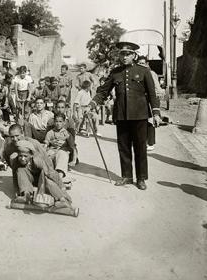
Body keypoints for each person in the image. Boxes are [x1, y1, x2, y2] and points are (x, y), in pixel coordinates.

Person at [90, 41, 161, 190]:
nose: (124, 57)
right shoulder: (115, 72)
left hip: (140, 115)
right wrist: (93, 104)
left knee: (140, 147)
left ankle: (141, 178)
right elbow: (104, 91)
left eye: (128, 54)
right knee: (124, 147)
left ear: (134, 55)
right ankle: (127, 176)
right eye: (122, 54)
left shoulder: (143, 71)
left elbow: (152, 94)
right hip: (121, 115)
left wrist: (155, 112)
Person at [10, 139, 73, 209]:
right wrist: (17, 190)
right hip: (30, 180)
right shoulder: (15, 160)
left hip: (43, 180)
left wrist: (63, 189)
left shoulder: (37, 160)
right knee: (20, 170)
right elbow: (15, 176)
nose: (22, 158)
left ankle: (62, 200)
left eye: (25, 156)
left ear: (31, 155)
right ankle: (26, 195)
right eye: (20, 156)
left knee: (46, 176)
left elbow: (52, 174)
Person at [137, 56, 164, 151]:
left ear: (147, 64)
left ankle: (151, 142)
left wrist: (156, 100)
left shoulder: (151, 73)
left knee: (150, 121)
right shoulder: (137, 73)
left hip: (150, 99)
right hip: (141, 100)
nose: (141, 65)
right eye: (139, 63)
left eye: (142, 63)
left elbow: (156, 88)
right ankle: (143, 141)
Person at [45, 114, 77, 188]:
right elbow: (46, 144)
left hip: (62, 152)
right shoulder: (50, 132)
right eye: (56, 121)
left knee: (62, 154)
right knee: (48, 155)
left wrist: (74, 159)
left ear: (64, 123)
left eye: (60, 121)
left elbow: (73, 146)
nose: (58, 123)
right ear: (54, 122)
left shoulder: (66, 133)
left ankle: (59, 177)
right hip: (52, 151)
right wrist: (48, 145)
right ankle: (54, 178)